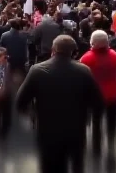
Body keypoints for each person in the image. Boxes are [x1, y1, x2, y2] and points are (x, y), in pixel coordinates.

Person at [16, 35, 103, 173]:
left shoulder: (37, 70)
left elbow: (20, 102)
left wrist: (33, 115)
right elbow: (98, 102)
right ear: (74, 52)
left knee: (50, 167)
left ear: (53, 50)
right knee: (77, 165)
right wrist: (88, 117)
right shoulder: (84, 70)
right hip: (76, 131)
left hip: (47, 131)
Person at [79, 29, 116, 158]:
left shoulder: (86, 58)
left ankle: (96, 147)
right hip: (113, 93)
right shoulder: (114, 55)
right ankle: (111, 142)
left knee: (96, 122)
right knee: (111, 120)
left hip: (96, 95)